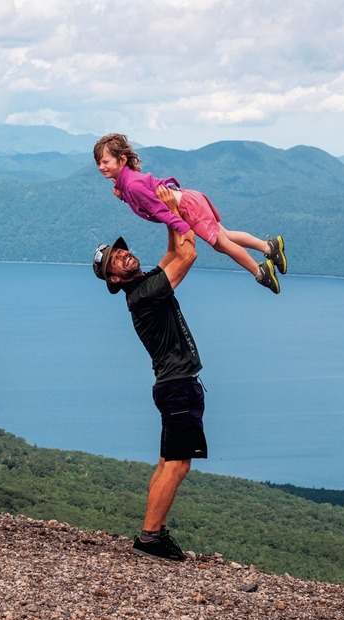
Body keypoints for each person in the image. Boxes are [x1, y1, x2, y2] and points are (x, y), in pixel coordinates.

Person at [92, 190, 206, 562]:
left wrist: (166, 217)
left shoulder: (146, 284)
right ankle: (149, 537)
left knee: (166, 462)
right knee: (177, 463)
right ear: (113, 278)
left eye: (122, 251)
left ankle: (153, 533)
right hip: (177, 385)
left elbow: (173, 253)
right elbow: (189, 253)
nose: (124, 254)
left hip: (174, 384)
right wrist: (174, 212)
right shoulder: (142, 294)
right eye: (117, 259)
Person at [93, 132, 287, 294]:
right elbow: (146, 200)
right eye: (99, 163)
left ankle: (260, 272)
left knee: (222, 244)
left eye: (105, 162)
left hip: (188, 209)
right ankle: (269, 247)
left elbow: (159, 210)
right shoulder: (127, 184)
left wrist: (183, 229)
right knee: (225, 235)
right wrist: (123, 197)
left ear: (122, 160)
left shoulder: (132, 185)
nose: (101, 167)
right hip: (189, 200)